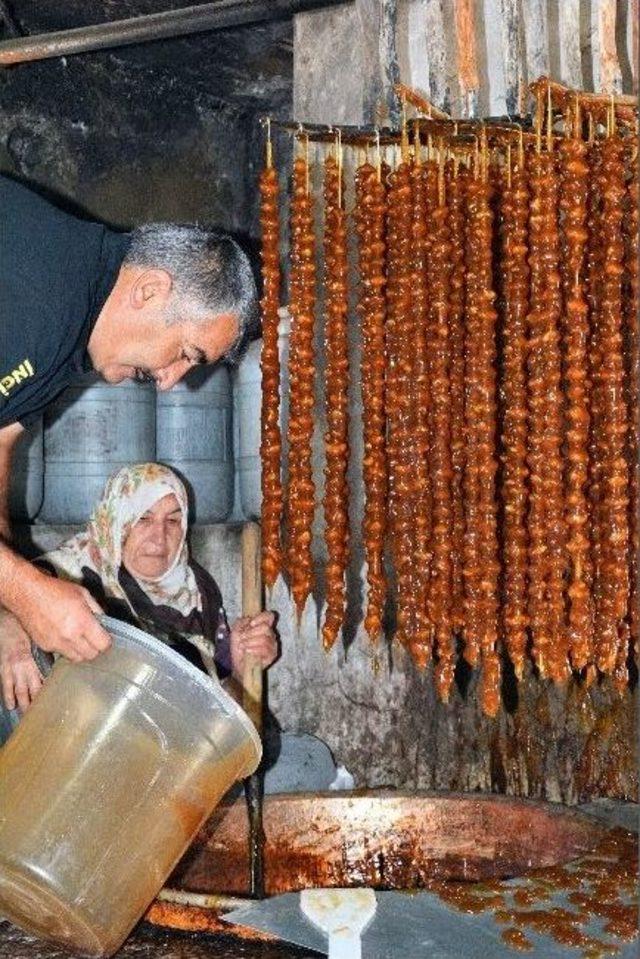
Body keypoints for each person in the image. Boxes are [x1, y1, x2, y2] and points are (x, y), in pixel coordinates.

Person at [0, 174, 259, 662]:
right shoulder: (35, 300)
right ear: (150, 289)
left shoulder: (71, 339)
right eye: (186, 352)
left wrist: (6, 611)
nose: (170, 381)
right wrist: (25, 592)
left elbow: (0, 440)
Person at [0, 463, 277, 733]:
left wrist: (239, 666)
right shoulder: (60, 576)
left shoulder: (197, 594)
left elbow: (213, 724)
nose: (159, 538)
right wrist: (9, 625)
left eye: (173, 520)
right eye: (142, 519)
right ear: (115, 521)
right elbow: (13, 593)